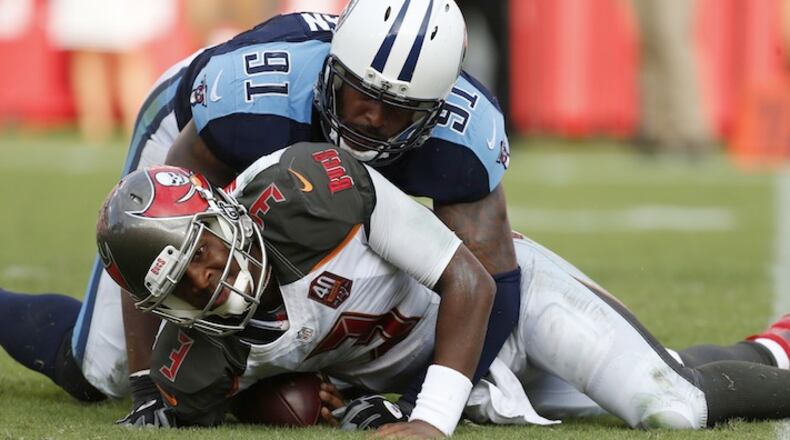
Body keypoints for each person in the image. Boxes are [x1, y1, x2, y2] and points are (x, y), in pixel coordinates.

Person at [0, 0, 519, 427]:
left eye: (398, 108)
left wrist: (418, 406)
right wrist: (146, 384)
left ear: (438, 103)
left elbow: (495, 283)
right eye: (358, 92)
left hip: (307, 181)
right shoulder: (245, 104)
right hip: (193, 130)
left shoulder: (464, 137)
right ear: (332, 66)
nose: (371, 117)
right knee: (98, 370)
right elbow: (156, 237)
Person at [96, 155, 790, 436]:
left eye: (203, 253)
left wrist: (426, 419)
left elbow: (469, 278)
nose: (207, 280)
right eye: (179, 286)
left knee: (672, 404)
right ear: (159, 311)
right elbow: (227, 395)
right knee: (664, 368)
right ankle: (774, 346)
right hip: (456, 373)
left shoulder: (313, 195)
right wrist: (286, 399)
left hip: (504, 305)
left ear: (225, 212)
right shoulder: (194, 362)